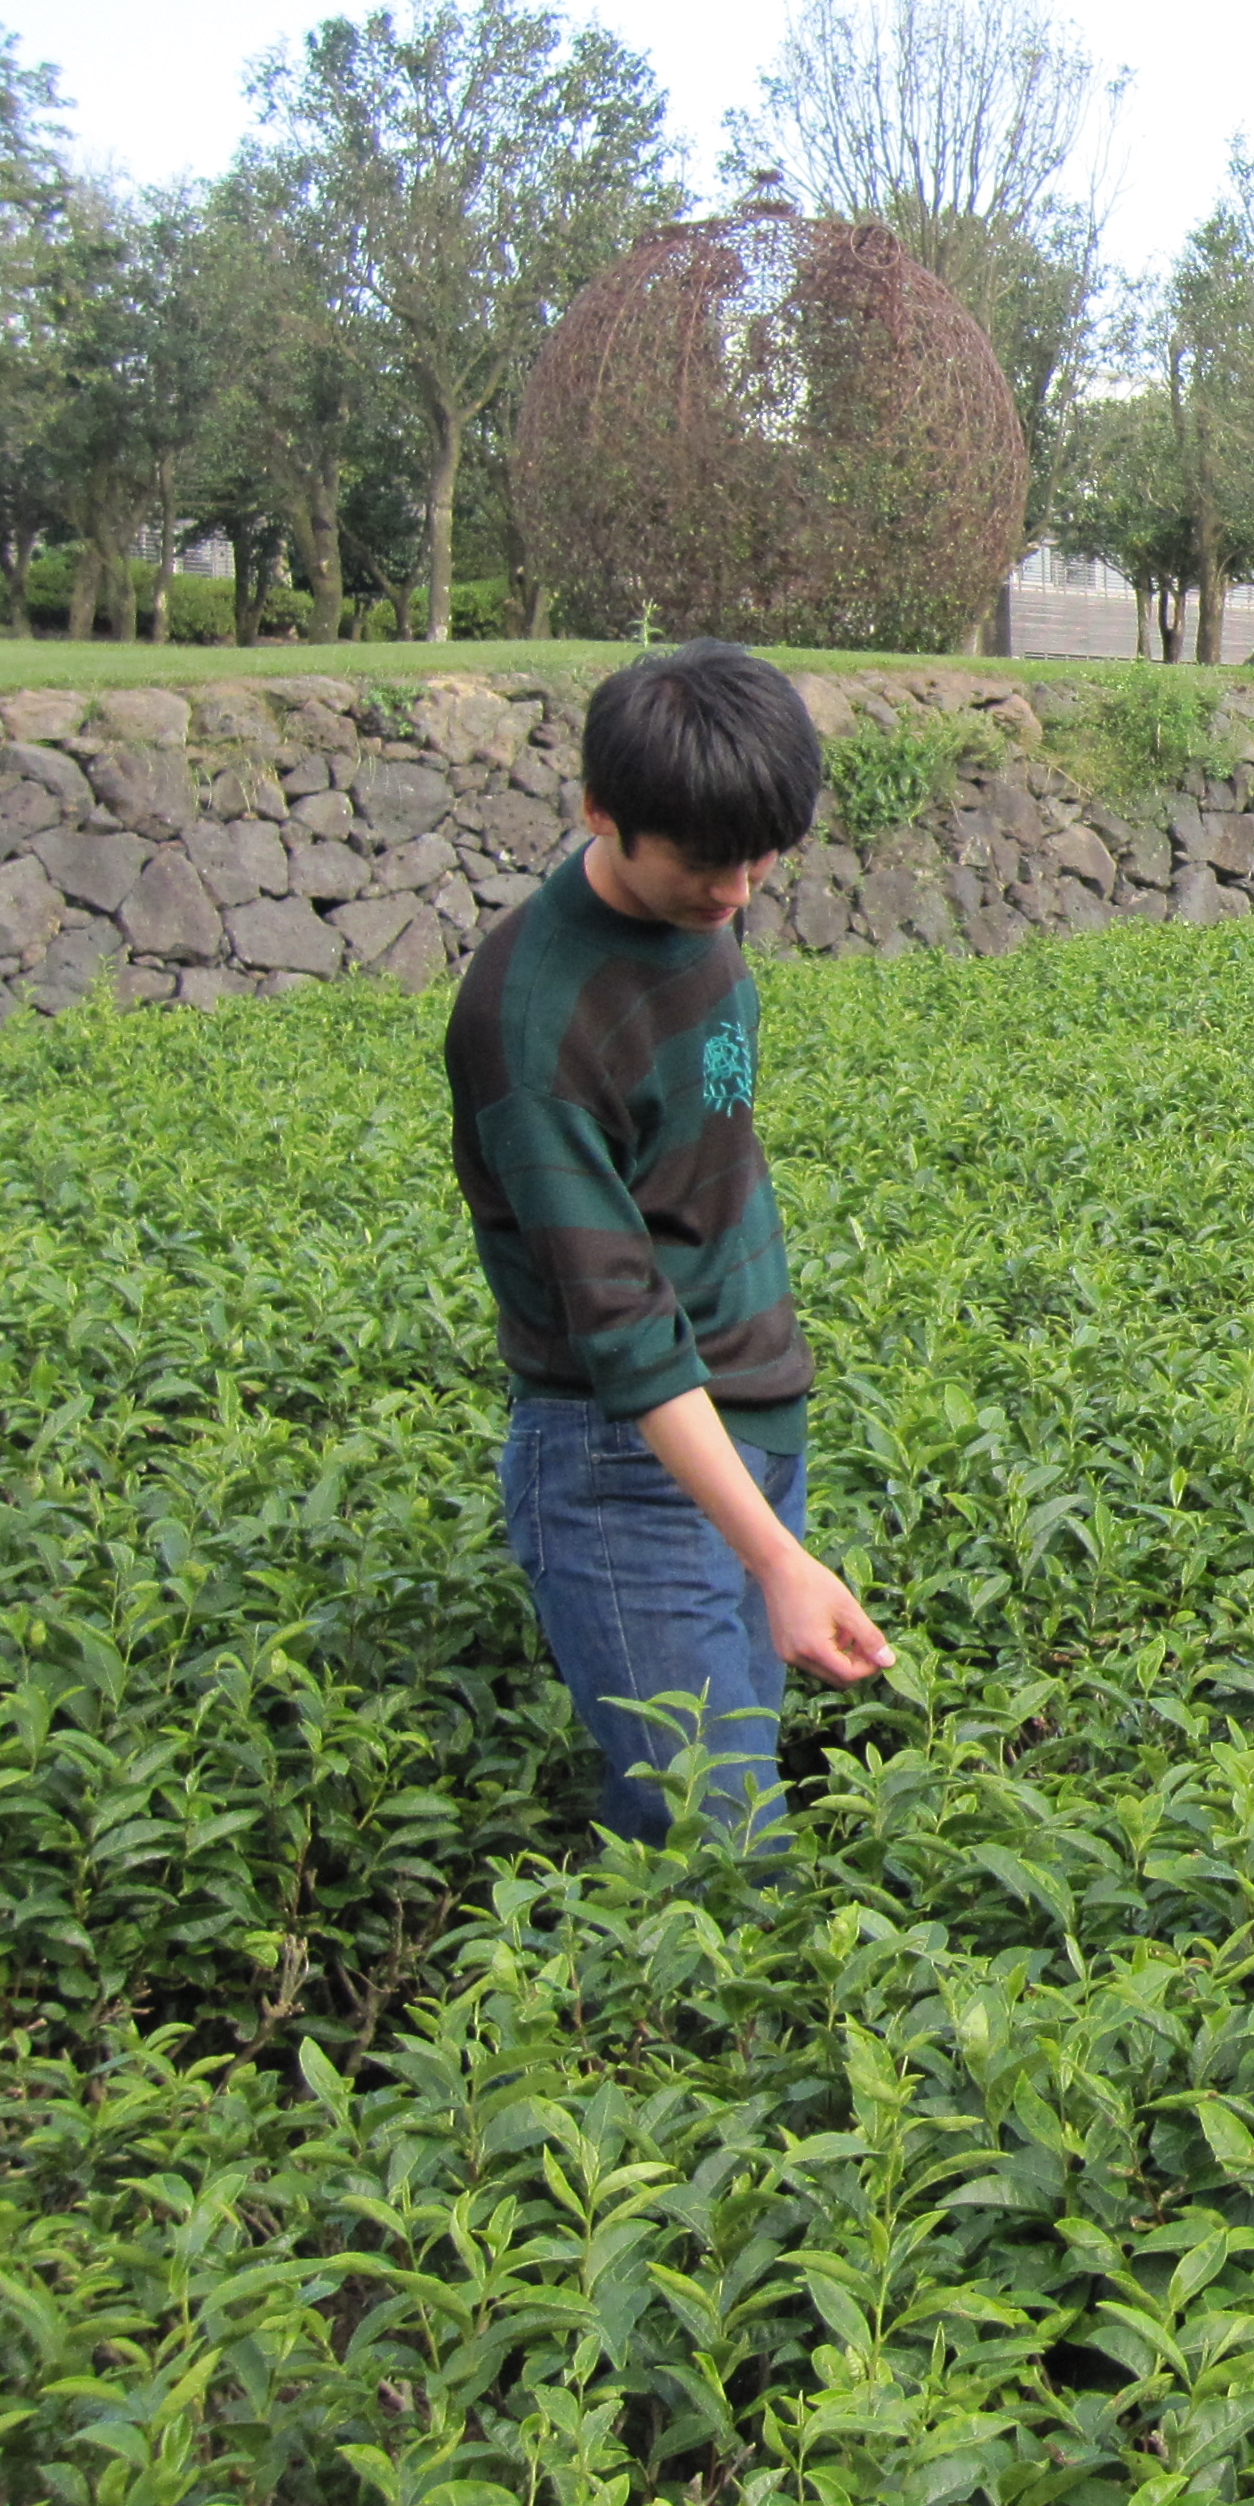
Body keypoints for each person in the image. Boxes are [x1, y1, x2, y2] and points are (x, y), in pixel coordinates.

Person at [445, 639, 893, 1852]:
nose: (739, 892)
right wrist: (778, 1559)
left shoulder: (701, 906)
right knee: (722, 1848)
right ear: (602, 813)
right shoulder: (532, 1026)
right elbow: (626, 1336)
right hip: (621, 1473)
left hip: (753, 1419)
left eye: (763, 857)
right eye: (707, 863)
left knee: (710, 1819)